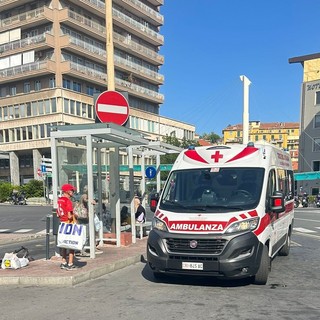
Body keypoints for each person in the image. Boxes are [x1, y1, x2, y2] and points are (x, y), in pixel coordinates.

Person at [56, 183, 78, 271]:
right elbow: (69, 216)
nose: (73, 192)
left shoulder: (60, 200)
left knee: (64, 244)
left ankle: (63, 262)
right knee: (71, 244)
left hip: (62, 223)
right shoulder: (68, 201)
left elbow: (58, 214)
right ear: (67, 191)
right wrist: (75, 216)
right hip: (69, 223)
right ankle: (70, 263)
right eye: (72, 190)